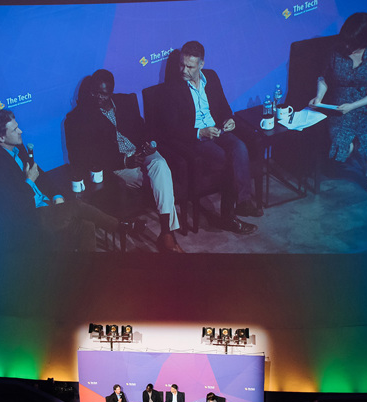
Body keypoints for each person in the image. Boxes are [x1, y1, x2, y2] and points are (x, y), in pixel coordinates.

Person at [66, 69, 184, 253]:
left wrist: (150, 144)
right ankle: (169, 237)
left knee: (160, 166)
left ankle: (166, 232)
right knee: (159, 180)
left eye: (104, 94)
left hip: (140, 153)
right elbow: (87, 156)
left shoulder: (124, 102)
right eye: (95, 92)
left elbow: (143, 127)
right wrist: (123, 161)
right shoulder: (80, 117)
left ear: (111, 91)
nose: (98, 97)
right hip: (119, 165)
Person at [0, 109, 135, 251]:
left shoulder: (19, 149)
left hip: (48, 207)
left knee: (86, 224)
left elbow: (43, 177)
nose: (20, 131)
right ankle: (120, 226)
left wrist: (57, 196)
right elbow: (13, 205)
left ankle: (89, 271)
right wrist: (29, 181)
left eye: (18, 127)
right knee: (77, 206)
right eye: (15, 130)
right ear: (0, 136)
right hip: (31, 217)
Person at [163, 40, 263, 235]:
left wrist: (229, 120)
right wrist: (200, 132)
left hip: (217, 130)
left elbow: (225, 108)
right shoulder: (173, 87)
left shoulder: (212, 77)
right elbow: (171, 128)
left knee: (240, 147)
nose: (184, 70)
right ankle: (228, 218)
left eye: (190, 66)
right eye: (182, 64)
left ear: (201, 64)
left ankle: (243, 202)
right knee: (228, 161)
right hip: (195, 138)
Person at [309, 12, 367, 194]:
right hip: (341, 105)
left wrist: (353, 106)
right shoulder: (336, 52)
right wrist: (319, 97)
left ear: (365, 40)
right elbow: (324, 77)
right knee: (345, 146)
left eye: (352, 42)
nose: (347, 45)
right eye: (346, 40)